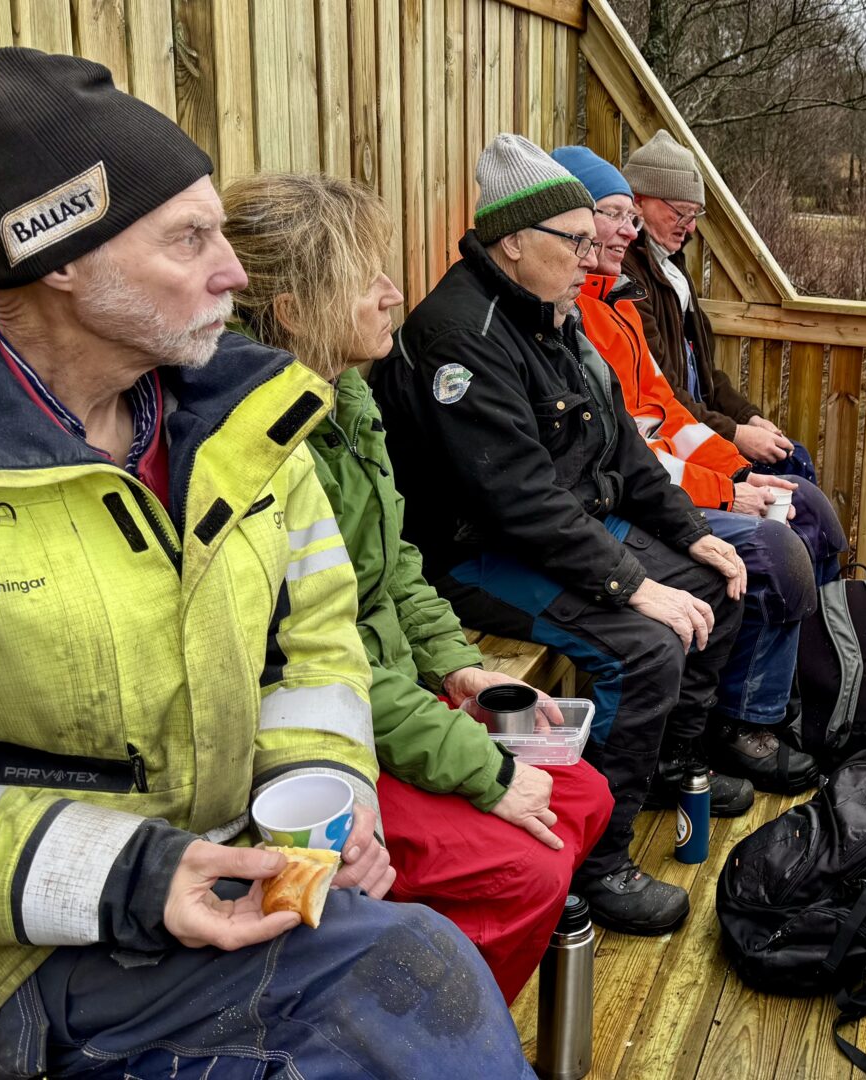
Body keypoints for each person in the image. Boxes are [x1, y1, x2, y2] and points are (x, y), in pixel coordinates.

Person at [0, 49, 530, 1078]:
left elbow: (316, 647)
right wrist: (123, 872)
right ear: (57, 258)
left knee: (423, 984)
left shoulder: (245, 423)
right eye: (189, 238)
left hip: (231, 886)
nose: (235, 273)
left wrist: (322, 792)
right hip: (10, 958)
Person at [222, 171, 618, 999]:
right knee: (528, 867)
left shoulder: (349, 399)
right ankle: (422, 1016)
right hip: (320, 738)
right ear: (293, 311)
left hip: (394, 687)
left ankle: (442, 974)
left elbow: (398, 565)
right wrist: (486, 771)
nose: (393, 293)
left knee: (581, 791)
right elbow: (327, 663)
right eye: (365, 278)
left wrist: (457, 667)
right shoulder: (264, 454)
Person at [373, 134, 747, 936]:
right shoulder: (460, 339)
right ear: (514, 242)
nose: (593, 257)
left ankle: (660, 771)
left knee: (718, 580)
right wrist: (635, 586)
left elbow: (622, 447)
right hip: (477, 554)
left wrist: (689, 534)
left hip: (558, 527)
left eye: (591, 239)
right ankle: (595, 861)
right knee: (642, 648)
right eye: (575, 241)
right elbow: (516, 501)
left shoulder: (554, 314)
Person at [555, 146, 850, 794]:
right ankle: (741, 725)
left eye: (630, 218)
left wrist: (739, 474)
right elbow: (627, 449)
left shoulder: (620, 300)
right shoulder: (577, 318)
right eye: (613, 217)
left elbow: (670, 408)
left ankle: (817, 683)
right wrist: (728, 484)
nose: (628, 233)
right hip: (620, 509)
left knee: (804, 504)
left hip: (659, 482)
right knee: (771, 547)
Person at [619, 130, 814, 481]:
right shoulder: (627, 278)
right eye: (680, 213)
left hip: (701, 427)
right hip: (675, 443)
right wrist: (736, 435)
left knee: (792, 456)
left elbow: (706, 375)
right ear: (638, 201)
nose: (690, 227)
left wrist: (749, 418)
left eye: (695, 214)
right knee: (790, 475)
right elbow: (662, 392)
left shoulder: (671, 267)